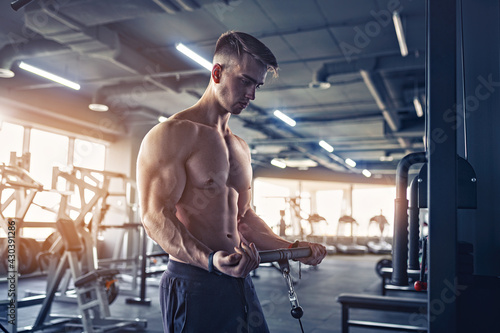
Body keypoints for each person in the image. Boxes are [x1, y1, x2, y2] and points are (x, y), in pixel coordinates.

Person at [136, 31, 327, 333]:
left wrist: (290, 247)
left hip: (239, 280)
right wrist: (210, 261)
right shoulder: (172, 134)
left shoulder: (239, 146)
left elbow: (245, 220)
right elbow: (155, 216)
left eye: (257, 85)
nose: (252, 94)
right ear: (217, 72)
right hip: (193, 280)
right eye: (246, 81)